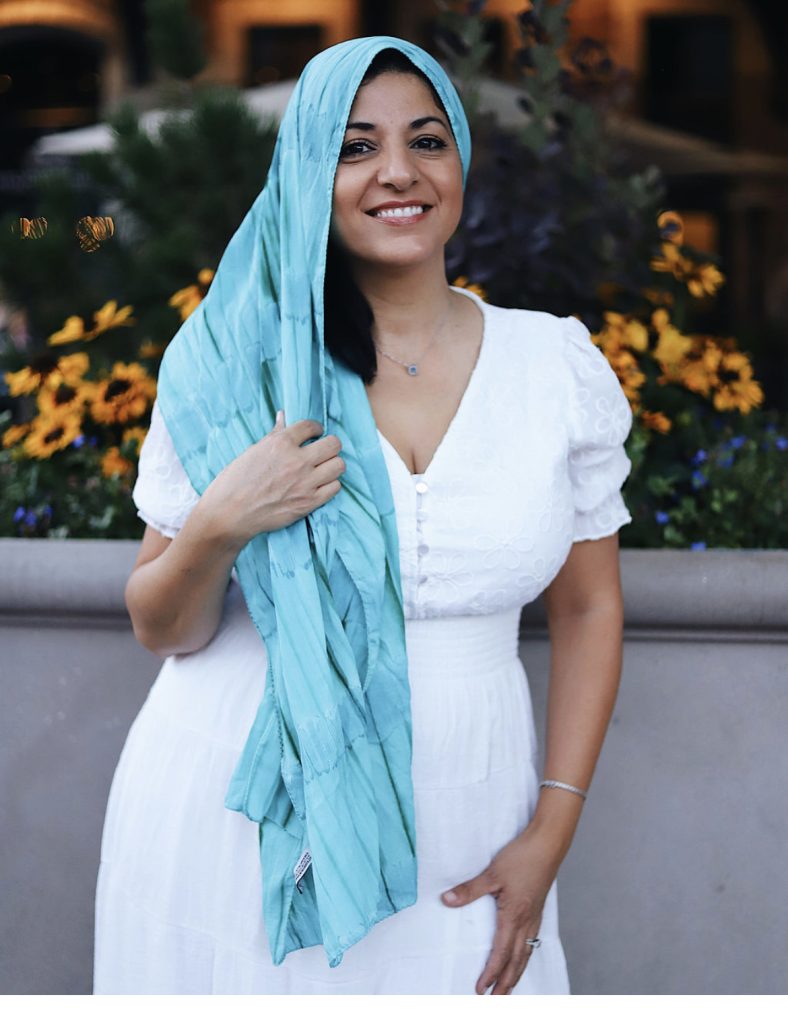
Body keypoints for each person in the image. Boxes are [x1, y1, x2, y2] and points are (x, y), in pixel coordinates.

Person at [93, 35, 632, 996]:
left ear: (460, 162)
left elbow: (587, 607)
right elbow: (162, 627)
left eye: (427, 141)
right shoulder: (239, 364)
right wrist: (222, 520)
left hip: (477, 814)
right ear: (309, 172)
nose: (398, 172)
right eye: (354, 148)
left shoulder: (553, 366)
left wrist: (554, 826)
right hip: (245, 818)